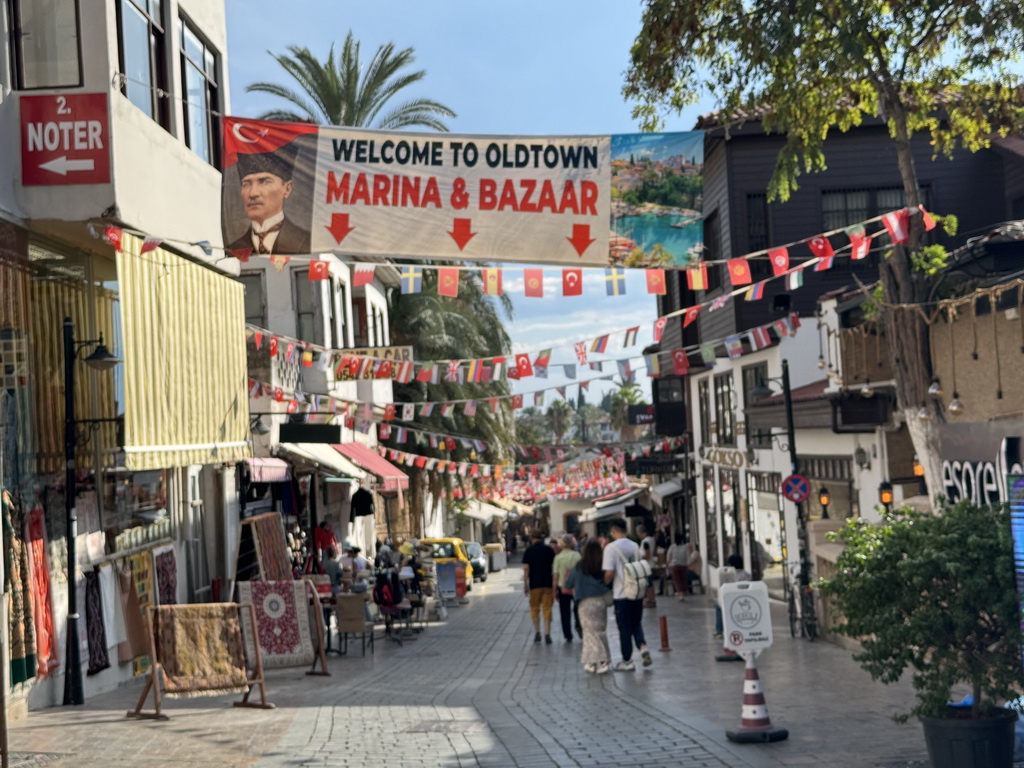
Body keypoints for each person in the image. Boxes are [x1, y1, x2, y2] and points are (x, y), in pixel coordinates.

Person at [228, 141, 311, 255]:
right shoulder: (231, 251)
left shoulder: (308, 244)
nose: (253, 193)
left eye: (264, 182)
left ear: (287, 189)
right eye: (246, 184)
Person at [602, 518, 652, 670]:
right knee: (636, 623)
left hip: (621, 593)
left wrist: (604, 584)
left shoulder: (611, 548)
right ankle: (642, 646)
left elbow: (609, 573)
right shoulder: (635, 545)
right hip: (636, 591)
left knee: (624, 627)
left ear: (614, 531)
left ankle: (627, 660)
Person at [565, 539, 612, 674]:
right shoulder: (602, 565)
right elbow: (609, 580)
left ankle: (602, 660)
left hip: (585, 603)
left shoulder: (580, 566)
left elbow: (568, 583)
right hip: (601, 601)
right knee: (600, 631)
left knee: (589, 632)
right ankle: (592, 661)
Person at [522, 531, 555, 644]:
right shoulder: (549, 550)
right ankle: (547, 633)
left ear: (532, 539)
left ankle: (537, 632)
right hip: (547, 584)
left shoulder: (529, 551)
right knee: (547, 608)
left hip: (534, 584)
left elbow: (526, 568)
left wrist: (525, 584)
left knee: (535, 608)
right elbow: (553, 567)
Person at [552, 534, 582, 642]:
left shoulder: (558, 557)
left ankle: (567, 634)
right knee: (578, 609)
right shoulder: (577, 555)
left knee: (564, 611)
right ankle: (579, 627)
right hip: (576, 587)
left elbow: (556, 575)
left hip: (563, 587)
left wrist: (554, 590)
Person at [715, 554, 752, 636]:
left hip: (734, 599)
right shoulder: (747, 574)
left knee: (719, 606)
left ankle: (719, 630)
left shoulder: (730, 575)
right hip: (746, 598)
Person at [636, 523, 657, 608]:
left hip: (646, 565)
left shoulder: (645, 542)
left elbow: (647, 555)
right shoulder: (651, 540)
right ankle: (650, 599)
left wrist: (639, 556)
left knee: (649, 584)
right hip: (650, 565)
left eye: (638, 533)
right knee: (649, 584)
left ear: (641, 532)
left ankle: (651, 600)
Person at [666, 533, 691, 600]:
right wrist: (687, 563)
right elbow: (688, 556)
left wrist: (669, 563)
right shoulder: (685, 547)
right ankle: (683, 592)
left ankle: (680, 593)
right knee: (683, 579)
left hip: (674, 565)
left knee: (677, 580)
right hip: (683, 565)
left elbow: (668, 556)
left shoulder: (672, 547)